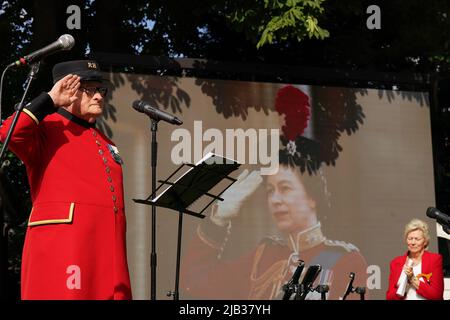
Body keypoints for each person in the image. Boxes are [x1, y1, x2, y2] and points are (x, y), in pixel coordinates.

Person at [0, 60, 132, 299]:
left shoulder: (105, 141)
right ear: (67, 90)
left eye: (100, 89)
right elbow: (10, 131)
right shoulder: (46, 128)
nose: (99, 97)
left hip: (107, 255)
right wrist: (49, 99)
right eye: (89, 89)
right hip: (66, 250)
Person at [181, 163, 368, 300]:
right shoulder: (263, 256)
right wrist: (219, 219)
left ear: (312, 198)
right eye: (270, 191)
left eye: (285, 188)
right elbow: (197, 283)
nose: (275, 199)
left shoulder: (345, 260)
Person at [386, 218, 444, 300]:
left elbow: (436, 295)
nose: (413, 243)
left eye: (417, 239)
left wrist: (412, 279)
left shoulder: (434, 259)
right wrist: (403, 286)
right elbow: (389, 297)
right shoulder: (396, 262)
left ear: (425, 241)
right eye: (410, 239)